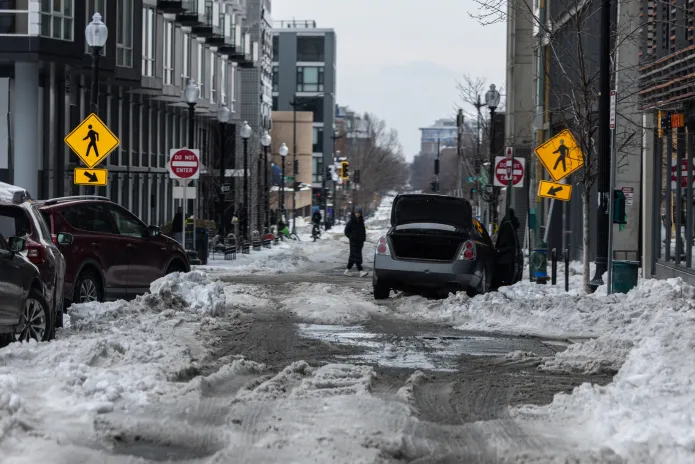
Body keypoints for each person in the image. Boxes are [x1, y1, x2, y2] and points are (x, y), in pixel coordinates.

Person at [344, 208, 368, 277]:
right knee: (357, 256)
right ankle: (361, 271)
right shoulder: (351, 221)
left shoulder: (361, 221)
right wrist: (351, 237)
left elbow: (363, 231)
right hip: (353, 242)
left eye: (359, 213)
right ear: (354, 213)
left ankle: (347, 271)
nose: (358, 214)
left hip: (360, 242)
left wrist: (363, 238)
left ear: (361, 214)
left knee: (353, 257)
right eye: (356, 213)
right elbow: (346, 231)